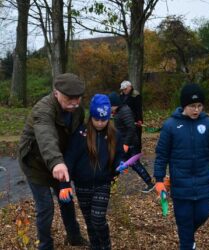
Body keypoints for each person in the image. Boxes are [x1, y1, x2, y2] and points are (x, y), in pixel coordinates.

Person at [153, 83, 209, 250]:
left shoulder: (208, 124)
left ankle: (187, 235)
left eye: (199, 106)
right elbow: (161, 155)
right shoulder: (170, 125)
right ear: (184, 106)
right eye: (192, 106)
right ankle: (187, 243)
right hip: (181, 184)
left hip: (203, 182)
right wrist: (159, 180)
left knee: (204, 213)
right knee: (183, 219)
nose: (196, 110)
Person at [18, 73, 88, 249]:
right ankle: (45, 244)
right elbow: (45, 135)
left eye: (78, 98)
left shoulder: (77, 110)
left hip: (60, 164)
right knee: (46, 207)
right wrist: (56, 161)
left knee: (67, 199)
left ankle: (74, 237)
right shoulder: (43, 109)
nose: (75, 103)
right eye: (70, 99)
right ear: (56, 93)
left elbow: (77, 136)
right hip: (36, 164)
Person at [59, 94, 123, 250]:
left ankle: (106, 246)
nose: (100, 123)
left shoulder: (115, 135)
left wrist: (120, 166)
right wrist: (64, 184)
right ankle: (95, 246)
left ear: (109, 117)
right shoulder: (80, 134)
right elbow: (69, 160)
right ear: (91, 116)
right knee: (89, 221)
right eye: (96, 119)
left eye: (104, 119)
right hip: (82, 185)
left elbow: (119, 157)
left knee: (98, 218)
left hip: (103, 184)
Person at [109, 92, 155, 193]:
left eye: (110, 106)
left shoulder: (124, 110)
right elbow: (126, 124)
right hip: (124, 142)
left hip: (130, 143)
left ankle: (150, 183)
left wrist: (126, 144)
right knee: (119, 163)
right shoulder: (119, 111)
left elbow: (131, 128)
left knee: (133, 163)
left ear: (115, 104)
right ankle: (112, 186)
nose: (109, 108)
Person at [119, 80, 143, 150]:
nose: (124, 91)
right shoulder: (121, 95)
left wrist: (139, 119)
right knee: (126, 137)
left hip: (135, 119)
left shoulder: (136, 95)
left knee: (137, 138)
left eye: (125, 89)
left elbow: (138, 109)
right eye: (123, 89)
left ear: (130, 87)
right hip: (124, 120)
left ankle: (137, 156)